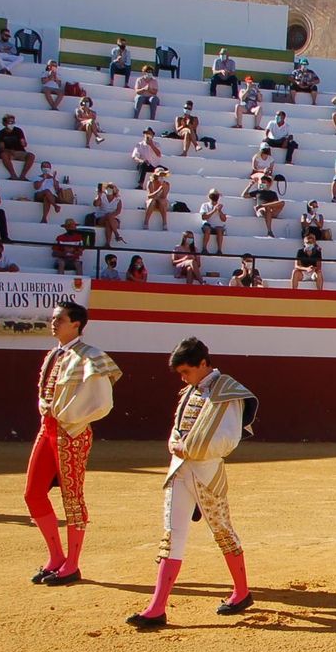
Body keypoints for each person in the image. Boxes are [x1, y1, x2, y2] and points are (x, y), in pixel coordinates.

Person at [125, 338, 257, 624]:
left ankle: (242, 591)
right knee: (172, 535)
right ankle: (157, 607)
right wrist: (176, 445)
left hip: (208, 473)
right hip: (180, 471)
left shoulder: (228, 391)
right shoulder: (190, 391)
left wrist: (187, 449)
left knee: (222, 531)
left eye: (186, 371)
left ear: (203, 364)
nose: (183, 378)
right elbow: (177, 428)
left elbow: (228, 439)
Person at [24, 300, 122, 588]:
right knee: (33, 493)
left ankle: (73, 565)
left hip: (72, 432)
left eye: (60, 319)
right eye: (54, 318)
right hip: (47, 429)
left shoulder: (91, 356)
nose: (54, 323)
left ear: (76, 324)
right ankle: (56, 557)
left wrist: (71, 419)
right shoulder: (55, 355)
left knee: (72, 497)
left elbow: (103, 402)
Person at [0, 114, 36, 181]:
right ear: (4, 123)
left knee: (31, 156)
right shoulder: (1, 133)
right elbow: (2, 148)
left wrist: (23, 143)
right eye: (9, 122)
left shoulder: (18, 131)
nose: (11, 124)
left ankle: (23, 176)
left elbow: (24, 143)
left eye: (12, 122)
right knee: (3, 155)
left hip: (19, 152)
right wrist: (10, 151)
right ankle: (13, 175)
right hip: (9, 153)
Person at [93, 183, 125, 247]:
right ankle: (116, 234)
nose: (109, 190)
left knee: (108, 221)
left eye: (110, 189)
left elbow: (118, 211)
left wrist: (110, 216)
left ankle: (107, 243)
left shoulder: (118, 200)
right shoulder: (102, 197)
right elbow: (96, 204)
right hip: (101, 218)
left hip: (113, 219)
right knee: (108, 217)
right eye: (107, 189)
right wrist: (99, 196)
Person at [199, 190, 228, 256]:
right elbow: (204, 217)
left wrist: (220, 211)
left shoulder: (221, 206)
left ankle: (219, 250)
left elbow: (224, 219)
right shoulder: (204, 205)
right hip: (207, 225)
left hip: (218, 227)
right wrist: (214, 210)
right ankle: (204, 249)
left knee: (220, 230)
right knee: (207, 229)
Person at [143, 167, 171, 231]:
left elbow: (164, 196)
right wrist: (159, 190)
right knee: (152, 201)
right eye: (160, 175)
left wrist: (163, 187)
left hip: (161, 202)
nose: (161, 177)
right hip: (153, 201)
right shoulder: (150, 182)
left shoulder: (166, 184)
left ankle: (164, 223)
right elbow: (149, 196)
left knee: (163, 201)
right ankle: (146, 222)